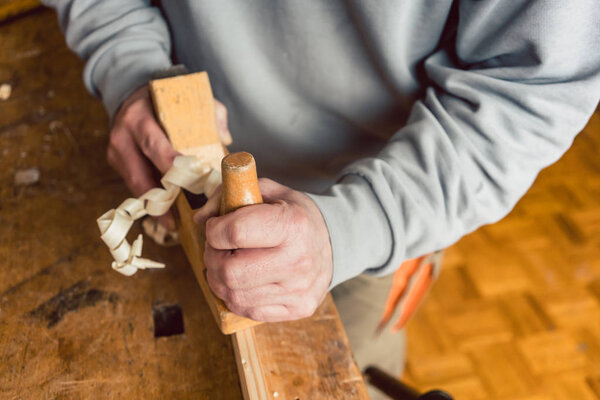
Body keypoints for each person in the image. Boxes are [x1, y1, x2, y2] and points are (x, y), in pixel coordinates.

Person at [42, 0, 600, 391]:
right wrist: (128, 61)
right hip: (166, 143)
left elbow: (528, 91)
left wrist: (360, 225)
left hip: (375, 212)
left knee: (335, 372)